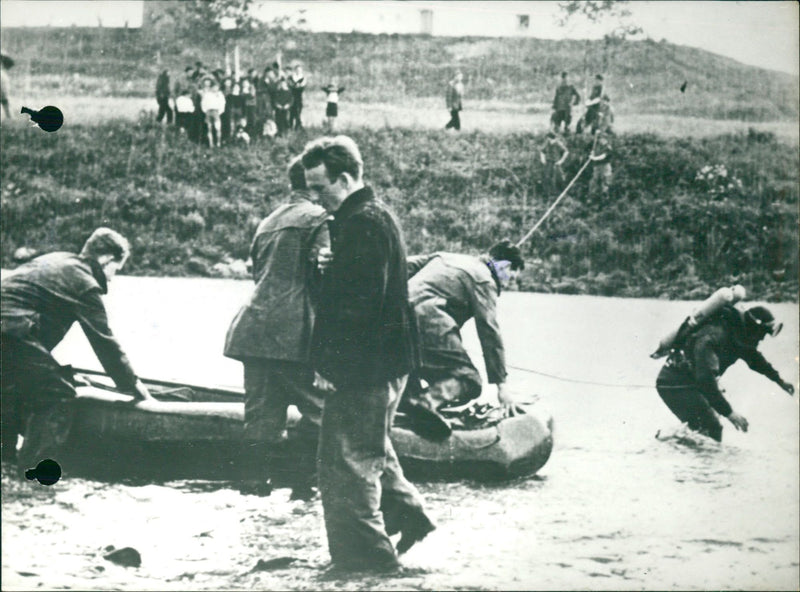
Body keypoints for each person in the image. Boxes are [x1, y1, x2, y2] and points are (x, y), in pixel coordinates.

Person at [301, 135, 435, 573]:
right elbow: (360, 290)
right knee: (371, 447)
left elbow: (359, 304)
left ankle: (367, 563)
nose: (314, 198)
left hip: (364, 366)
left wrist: (328, 364)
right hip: (386, 361)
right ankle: (407, 517)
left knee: (345, 463)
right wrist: (331, 270)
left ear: (344, 178)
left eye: (320, 188)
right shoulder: (367, 217)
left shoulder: (361, 223)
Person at [1, 228, 153, 467]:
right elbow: (105, 343)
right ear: (105, 259)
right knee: (57, 393)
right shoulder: (83, 283)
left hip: (9, 335)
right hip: (11, 333)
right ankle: (35, 472)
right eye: (116, 269)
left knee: (10, 390)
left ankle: (7, 463)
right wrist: (134, 388)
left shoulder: (56, 259)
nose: (112, 278)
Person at [224, 156, 330, 498]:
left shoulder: (267, 222)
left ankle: (252, 492)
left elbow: (260, 275)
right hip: (292, 333)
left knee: (261, 418)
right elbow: (324, 279)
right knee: (321, 413)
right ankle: (303, 489)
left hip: (252, 329)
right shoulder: (319, 218)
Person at [400, 241, 525, 438]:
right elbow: (489, 330)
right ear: (506, 266)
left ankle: (405, 409)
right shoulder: (485, 280)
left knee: (408, 372)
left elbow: (401, 265)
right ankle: (426, 403)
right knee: (468, 379)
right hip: (426, 319)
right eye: (511, 277)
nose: (509, 282)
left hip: (393, 319)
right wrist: (502, 386)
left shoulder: (445, 256)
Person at [656, 304, 794, 442]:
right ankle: (670, 445)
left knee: (706, 430)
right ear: (754, 327)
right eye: (763, 333)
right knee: (711, 428)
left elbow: (756, 361)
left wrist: (780, 381)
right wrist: (730, 414)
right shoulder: (714, 336)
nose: (762, 339)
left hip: (692, 382)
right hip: (674, 384)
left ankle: (671, 442)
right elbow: (705, 381)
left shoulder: (740, 335)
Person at [539, 131, 569, 196]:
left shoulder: (558, 143)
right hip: (548, 162)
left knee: (557, 177)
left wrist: (561, 161)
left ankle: (558, 192)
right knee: (547, 177)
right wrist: (542, 159)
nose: (550, 140)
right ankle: (547, 193)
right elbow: (542, 151)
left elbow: (566, 152)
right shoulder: (547, 143)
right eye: (549, 139)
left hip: (556, 163)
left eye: (551, 139)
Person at [200, 77, 226, 148]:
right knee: (209, 128)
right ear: (211, 87)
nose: (215, 88)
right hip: (208, 112)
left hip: (216, 112)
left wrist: (219, 112)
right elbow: (203, 103)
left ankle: (218, 143)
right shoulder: (207, 94)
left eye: (217, 87)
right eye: (214, 87)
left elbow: (223, 103)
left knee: (218, 128)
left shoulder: (220, 94)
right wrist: (206, 111)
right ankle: (211, 143)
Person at [588, 130, 613, 202]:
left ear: (605, 139)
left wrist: (594, 158)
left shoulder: (608, 147)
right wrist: (592, 153)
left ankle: (605, 199)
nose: (600, 140)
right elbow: (593, 151)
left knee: (605, 183)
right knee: (593, 182)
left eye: (601, 139)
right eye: (599, 139)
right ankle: (591, 198)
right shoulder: (597, 146)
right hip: (597, 167)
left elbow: (603, 156)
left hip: (605, 167)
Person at [288, 63, 306, 129]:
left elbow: (302, 86)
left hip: (299, 97)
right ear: (295, 70)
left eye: (300, 70)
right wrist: (295, 85)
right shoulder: (291, 77)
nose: (298, 71)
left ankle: (297, 127)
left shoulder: (303, 78)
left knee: (298, 112)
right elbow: (290, 85)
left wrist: (297, 86)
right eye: (297, 70)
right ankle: (290, 127)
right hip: (292, 97)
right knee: (291, 113)